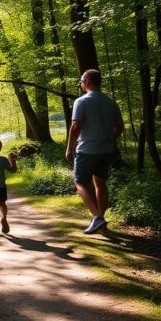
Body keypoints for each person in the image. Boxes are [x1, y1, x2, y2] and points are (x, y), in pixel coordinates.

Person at [65, 68, 124, 235]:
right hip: (106, 149)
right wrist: (109, 138)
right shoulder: (110, 102)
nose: (81, 84)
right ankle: (101, 222)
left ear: (88, 82)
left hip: (87, 149)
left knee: (80, 183)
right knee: (100, 183)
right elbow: (119, 127)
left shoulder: (81, 101)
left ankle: (98, 217)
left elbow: (76, 126)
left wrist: (69, 148)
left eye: (82, 81)